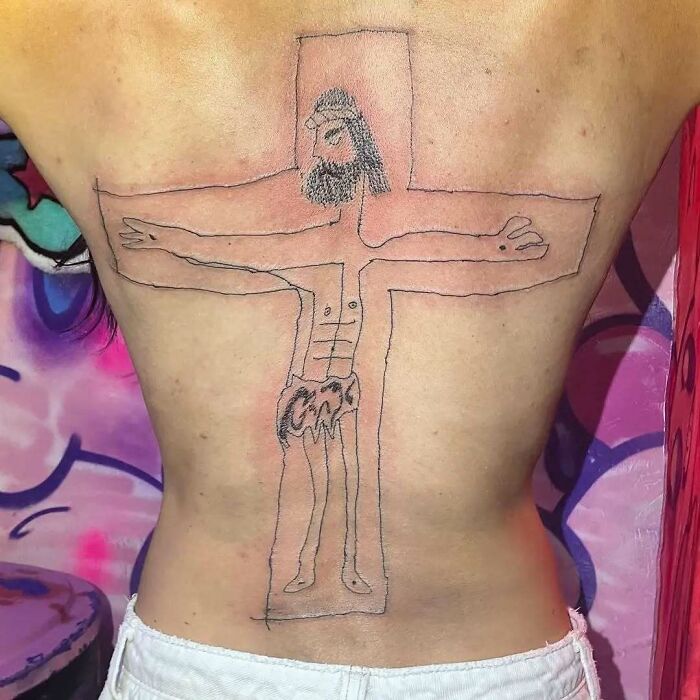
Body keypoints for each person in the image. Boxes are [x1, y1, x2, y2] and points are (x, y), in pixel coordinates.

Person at [0, 2, 697, 698]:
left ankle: (345, 569)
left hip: (205, 663)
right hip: (488, 660)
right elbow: (232, 243)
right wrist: (170, 239)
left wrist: (161, 236)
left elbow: (442, 242)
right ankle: (310, 570)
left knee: (346, 469)